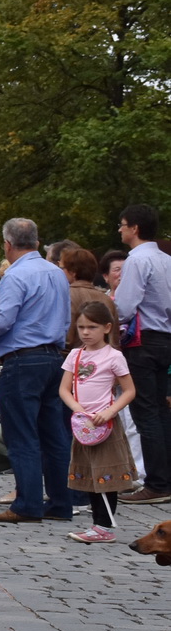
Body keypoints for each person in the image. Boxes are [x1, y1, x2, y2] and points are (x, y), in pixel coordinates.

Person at [0, 217, 75, 523]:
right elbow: (65, 317)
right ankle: (62, 502)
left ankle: (27, 504)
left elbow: (3, 320)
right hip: (54, 357)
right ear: (36, 242)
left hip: (22, 359)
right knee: (54, 434)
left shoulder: (15, 276)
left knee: (21, 433)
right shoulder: (57, 274)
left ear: (7, 245)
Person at [60, 300, 137, 543]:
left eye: (91, 327)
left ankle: (104, 527)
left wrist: (110, 411)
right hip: (83, 425)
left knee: (105, 474)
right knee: (91, 474)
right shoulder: (75, 355)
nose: (85, 332)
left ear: (106, 327)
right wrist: (77, 409)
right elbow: (64, 389)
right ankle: (97, 525)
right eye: (81, 327)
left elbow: (129, 391)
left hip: (105, 426)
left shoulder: (114, 357)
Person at [113, 204, 171, 505]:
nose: (120, 229)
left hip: (142, 341)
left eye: (122, 225)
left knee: (146, 412)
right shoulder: (166, 258)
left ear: (135, 228)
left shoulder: (137, 260)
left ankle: (157, 483)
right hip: (165, 338)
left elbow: (123, 306)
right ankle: (165, 479)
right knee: (161, 412)